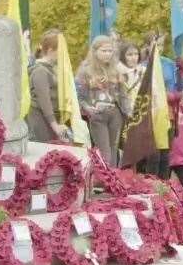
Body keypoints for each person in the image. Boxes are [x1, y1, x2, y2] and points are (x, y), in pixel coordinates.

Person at [77, 35, 128, 169]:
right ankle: (103, 181)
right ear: (95, 51)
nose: (107, 54)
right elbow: (79, 97)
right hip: (97, 116)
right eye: (103, 51)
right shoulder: (85, 71)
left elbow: (123, 94)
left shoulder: (116, 70)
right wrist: (87, 108)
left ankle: (112, 182)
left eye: (110, 51)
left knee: (113, 149)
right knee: (104, 152)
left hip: (115, 114)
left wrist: (128, 112)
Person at [26, 30, 69, 144]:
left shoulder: (53, 69)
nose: (64, 54)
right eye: (61, 51)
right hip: (40, 120)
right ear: (50, 50)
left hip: (49, 120)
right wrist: (55, 126)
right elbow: (44, 101)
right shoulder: (40, 71)